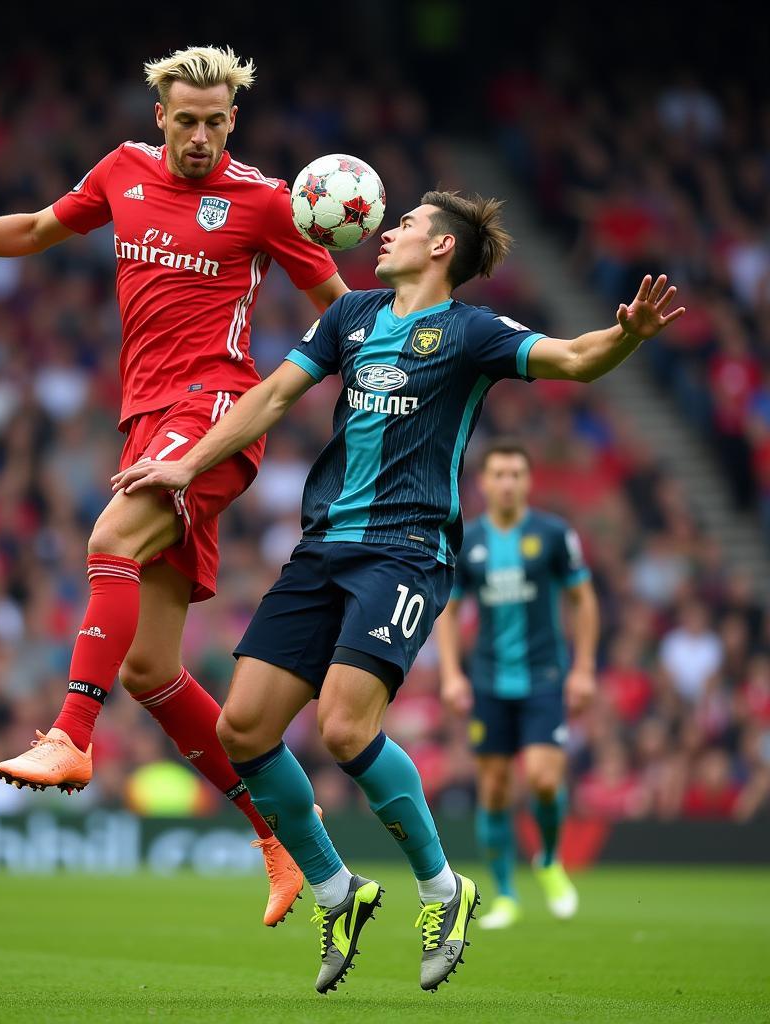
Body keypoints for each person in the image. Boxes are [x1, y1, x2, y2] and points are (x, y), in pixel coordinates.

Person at [112, 190, 685, 993]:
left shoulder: (472, 331)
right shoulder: (349, 318)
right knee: (242, 729)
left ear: (443, 248)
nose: (389, 231)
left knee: (346, 729)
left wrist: (625, 337)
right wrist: (185, 462)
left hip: (406, 551)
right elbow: (273, 395)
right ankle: (336, 888)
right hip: (322, 550)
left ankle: (443, 889)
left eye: (409, 223)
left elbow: (576, 359)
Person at [0, 45, 348, 926]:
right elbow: (32, 230)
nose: (203, 137)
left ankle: (69, 733)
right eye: (188, 121)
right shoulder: (122, 173)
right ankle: (281, 832)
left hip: (212, 413)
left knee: (110, 540)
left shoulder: (264, 201)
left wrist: (328, 386)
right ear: (160, 119)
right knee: (149, 668)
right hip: (146, 421)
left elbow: (340, 306)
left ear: (234, 121)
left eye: (218, 122)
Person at [434, 439, 600, 930]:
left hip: (545, 676)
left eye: (516, 475)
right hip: (487, 681)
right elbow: (449, 610)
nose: (507, 483)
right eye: (499, 474)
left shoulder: (552, 534)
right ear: (483, 482)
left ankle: (548, 859)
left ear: (528, 481)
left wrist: (585, 667)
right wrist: (450, 674)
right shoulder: (469, 540)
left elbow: (583, 600)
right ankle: (505, 894)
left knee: (546, 780)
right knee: (495, 789)